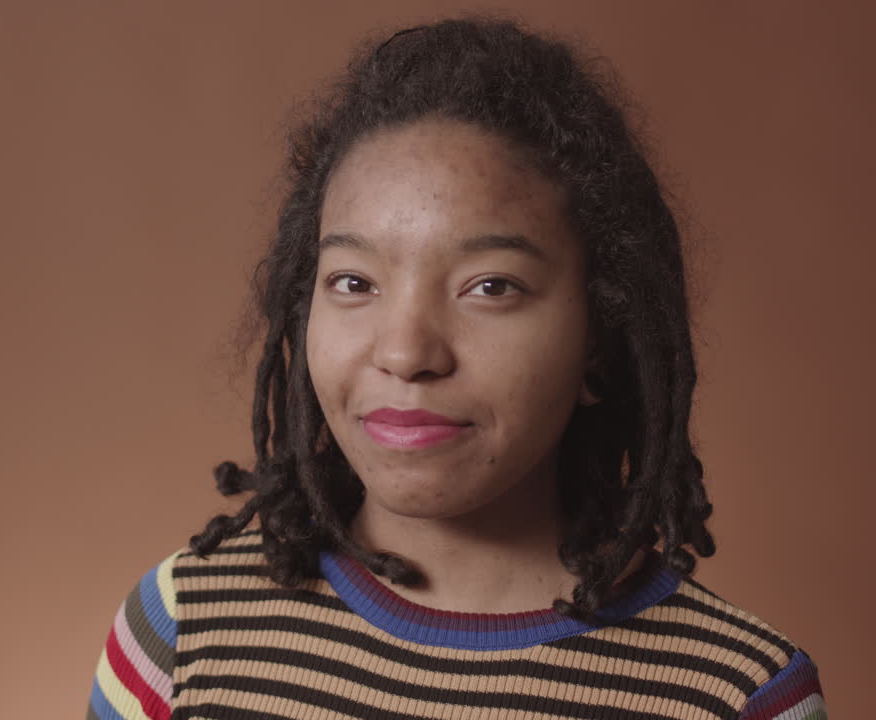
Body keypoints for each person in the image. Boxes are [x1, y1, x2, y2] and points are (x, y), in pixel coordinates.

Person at [87, 17, 826, 720]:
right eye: (354, 282)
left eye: (490, 287)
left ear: (599, 334)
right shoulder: (180, 634)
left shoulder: (736, 694)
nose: (406, 353)